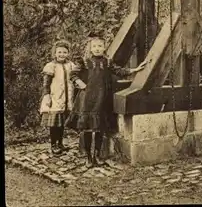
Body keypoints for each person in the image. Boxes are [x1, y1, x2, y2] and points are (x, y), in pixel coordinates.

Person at [66, 33, 147, 167]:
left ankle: (97, 155)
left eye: (100, 46)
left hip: (102, 99)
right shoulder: (84, 62)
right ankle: (88, 157)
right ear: (90, 48)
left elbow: (119, 71)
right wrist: (80, 83)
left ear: (104, 48)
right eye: (94, 46)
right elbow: (73, 74)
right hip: (87, 99)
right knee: (87, 129)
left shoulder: (107, 62)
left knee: (99, 128)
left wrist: (135, 69)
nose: (97, 48)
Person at [40, 40, 76, 155]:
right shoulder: (51, 66)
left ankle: (60, 143)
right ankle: (53, 145)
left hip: (67, 98)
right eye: (59, 52)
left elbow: (75, 78)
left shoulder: (70, 65)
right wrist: (47, 96)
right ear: (55, 53)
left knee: (61, 123)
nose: (62, 55)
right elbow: (46, 84)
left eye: (64, 52)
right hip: (55, 98)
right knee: (54, 124)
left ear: (68, 53)